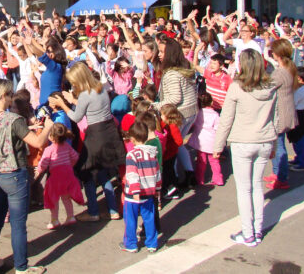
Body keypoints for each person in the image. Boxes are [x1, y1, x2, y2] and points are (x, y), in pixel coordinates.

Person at [0, 79, 53, 274]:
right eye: (10, 95)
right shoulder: (13, 120)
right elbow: (37, 143)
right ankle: (21, 267)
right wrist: (48, 128)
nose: (11, 98)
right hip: (14, 174)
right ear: (4, 96)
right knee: (18, 223)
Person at [213, 49, 278, 247]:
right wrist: (274, 144)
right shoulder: (271, 87)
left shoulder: (236, 87)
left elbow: (226, 119)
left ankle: (248, 233)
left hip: (243, 141)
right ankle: (257, 230)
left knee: (244, 189)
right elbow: (275, 118)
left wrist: (218, 145)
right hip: (265, 141)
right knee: (257, 186)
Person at [49, 62, 125, 221]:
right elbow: (91, 105)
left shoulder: (84, 95)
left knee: (87, 173)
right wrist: (74, 101)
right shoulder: (100, 88)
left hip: (95, 134)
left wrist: (64, 103)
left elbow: (77, 117)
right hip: (108, 131)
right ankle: (113, 209)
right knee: (103, 172)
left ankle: (93, 211)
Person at [154, 39, 198, 198]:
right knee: (180, 145)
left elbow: (174, 98)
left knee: (171, 149)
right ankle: (190, 174)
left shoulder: (172, 73)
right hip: (190, 111)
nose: (159, 54)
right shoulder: (184, 66)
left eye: (161, 51)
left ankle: (171, 184)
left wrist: (155, 105)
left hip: (180, 114)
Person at [119, 120, 161, 254]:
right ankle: (152, 243)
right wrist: (158, 189)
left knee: (130, 219)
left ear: (132, 138)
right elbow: (157, 173)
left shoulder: (132, 155)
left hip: (133, 195)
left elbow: (132, 174)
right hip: (149, 191)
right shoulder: (152, 154)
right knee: (149, 218)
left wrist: (135, 190)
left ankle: (131, 244)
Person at [36, 122, 84, 229]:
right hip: (68, 175)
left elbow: (44, 163)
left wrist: (38, 170)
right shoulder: (67, 146)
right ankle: (70, 216)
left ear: (52, 137)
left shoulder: (49, 149)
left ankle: (54, 220)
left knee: (54, 199)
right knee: (66, 197)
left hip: (55, 178)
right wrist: (69, 165)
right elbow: (75, 157)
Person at [264, 39, 298, 190]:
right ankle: (277, 172)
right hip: (286, 110)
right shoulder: (288, 69)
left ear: (277, 54)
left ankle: (282, 177)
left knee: (278, 146)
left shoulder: (279, 73)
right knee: (277, 144)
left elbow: (267, 88)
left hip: (280, 112)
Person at [188, 93, 223, 186]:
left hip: (201, 141)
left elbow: (194, 124)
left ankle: (200, 179)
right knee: (214, 161)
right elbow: (218, 128)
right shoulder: (215, 115)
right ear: (211, 102)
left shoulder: (198, 113)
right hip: (212, 141)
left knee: (201, 161)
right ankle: (218, 179)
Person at [287, 67, 304, 171]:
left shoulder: (302, 89)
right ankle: (299, 158)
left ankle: (303, 163)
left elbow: (293, 102)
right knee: (296, 140)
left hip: (299, 114)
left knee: (300, 139)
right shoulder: (300, 88)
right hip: (297, 113)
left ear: (300, 78)